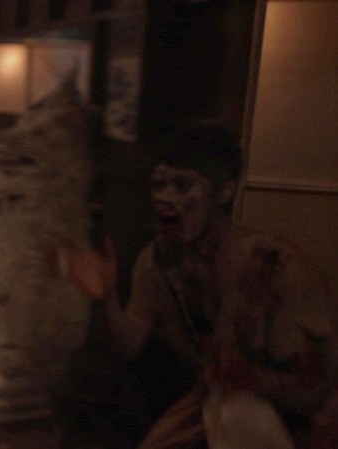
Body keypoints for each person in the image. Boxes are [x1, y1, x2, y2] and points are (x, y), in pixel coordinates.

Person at [61, 124, 338, 449]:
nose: (164, 197)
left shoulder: (278, 266)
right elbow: (131, 346)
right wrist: (107, 296)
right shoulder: (158, 259)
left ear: (224, 192)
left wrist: (245, 382)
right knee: (88, 371)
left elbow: (317, 389)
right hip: (212, 401)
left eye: (183, 185)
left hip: (289, 417)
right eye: (159, 185)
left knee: (238, 413)